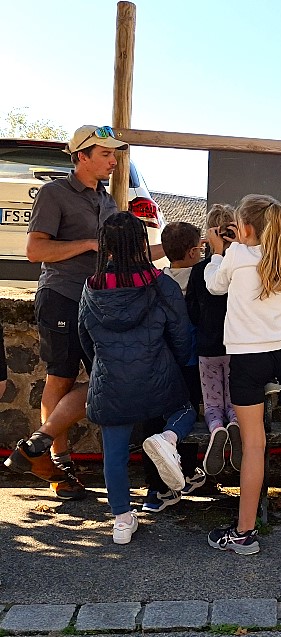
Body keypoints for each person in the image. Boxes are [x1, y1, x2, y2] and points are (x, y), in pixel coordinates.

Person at [4, 125, 131, 500]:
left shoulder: (109, 201)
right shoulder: (54, 192)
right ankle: (58, 467)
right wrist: (88, 244)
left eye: (114, 154)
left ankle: (39, 448)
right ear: (81, 157)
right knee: (60, 377)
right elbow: (35, 252)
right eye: (105, 154)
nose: (113, 161)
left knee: (108, 378)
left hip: (99, 302)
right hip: (61, 296)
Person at [78, 212, 196, 544]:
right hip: (158, 375)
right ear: (142, 245)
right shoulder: (160, 284)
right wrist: (175, 366)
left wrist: (103, 366)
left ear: (106, 247)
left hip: (110, 380)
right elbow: (182, 336)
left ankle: (121, 520)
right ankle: (168, 439)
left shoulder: (91, 287)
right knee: (185, 410)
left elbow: (84, 337)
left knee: (113, 453)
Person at [204, 194, 281, 555]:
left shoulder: (236, 255)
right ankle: (248, 525)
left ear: (243, 227)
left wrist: (218, 251)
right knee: (259, 439)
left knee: (254, 445)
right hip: (280, 354)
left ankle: (244, 532)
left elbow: (215, 285)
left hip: (247, 358)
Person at [139, 221, 208, 514]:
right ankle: (187, 471)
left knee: (154, 419)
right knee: (188, 413)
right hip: (190, 359)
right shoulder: (205, 279)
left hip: (157, 361)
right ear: (193, 251)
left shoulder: (156, 282)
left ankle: (156, 488)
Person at [187, 205, 241, 476]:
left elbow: (191, 311)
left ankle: (216, 428)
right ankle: (235, 424)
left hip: (207, 347)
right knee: (234, 402)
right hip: (235, 346)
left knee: (211, 403)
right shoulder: (239, 269)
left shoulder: (199, 271)